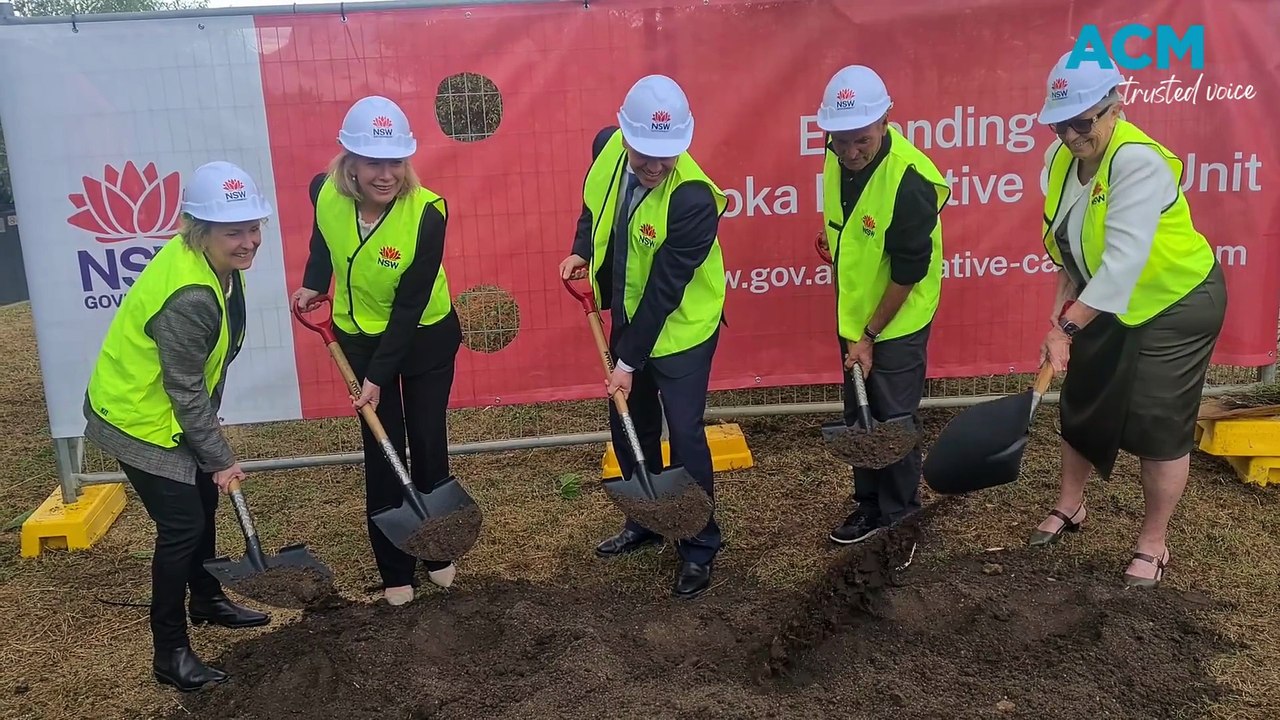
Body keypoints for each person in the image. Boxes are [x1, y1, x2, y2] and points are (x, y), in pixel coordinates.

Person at [1028, 52, 1227, 588]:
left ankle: (1153, 542)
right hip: (1105, 296)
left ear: (1115, 108)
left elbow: (1122, 265)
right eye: (1059, 123)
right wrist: (1062, 305)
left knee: (1157, 420)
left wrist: (1066, 328)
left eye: (1081, 122)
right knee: (1082, 396)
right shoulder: (1058, 158)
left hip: (1175, 301)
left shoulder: (1137, 162)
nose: (1070, 135)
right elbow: (1067, 240)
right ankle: (1071, 505)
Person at [83, 161, 273, 692]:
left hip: (168, 411)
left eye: (253, 227)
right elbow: (184, 389)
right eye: (233, 231)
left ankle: (206, 598)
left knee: (203, 500)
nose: (248, 241)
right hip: (136, 418)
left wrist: (208, 453)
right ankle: (170, 652)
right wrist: (220, 457)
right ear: (199, 229)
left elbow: (203, 373)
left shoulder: (217, 267)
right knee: (182, 526)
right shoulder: (190, 295)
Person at [558, 74, 728, 600]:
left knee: (684, 432)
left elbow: (664, 292)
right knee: (630, 421)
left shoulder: (694, 198)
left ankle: (698, 544)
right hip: (630, 314)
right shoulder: (607, 147)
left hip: (681, 328)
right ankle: (647, 520)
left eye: (666, 155)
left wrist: (627, 363)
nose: (654, 165)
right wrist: (582, 247)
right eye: (644, 153)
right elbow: (594, 206)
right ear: (625, 133)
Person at [291, 95, 462, 607]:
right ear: (350, 162)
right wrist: (314, 280)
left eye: (395, 162)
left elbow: (410, 305)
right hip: (360, 339)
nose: (385, 175)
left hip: (424, 336)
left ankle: (436, 551)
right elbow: (323, 240)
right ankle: (394, 567)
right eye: (372, 163)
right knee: (382, 449)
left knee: (427, 442)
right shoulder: (324, 191)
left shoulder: (428, 213)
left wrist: (378, 376)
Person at [814, 65, 951, 545]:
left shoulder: (910, 181)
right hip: (855, 316)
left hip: (896, 320)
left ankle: (900, 518)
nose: (850, 152)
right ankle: (869, 505)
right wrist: (837, 241)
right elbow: (854, 220)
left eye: (862, 141)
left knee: (891, 419)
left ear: (886, 120)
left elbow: (908, 271)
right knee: (860, 411)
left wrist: (870, 335)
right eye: (840, 141)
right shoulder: (836, 153)